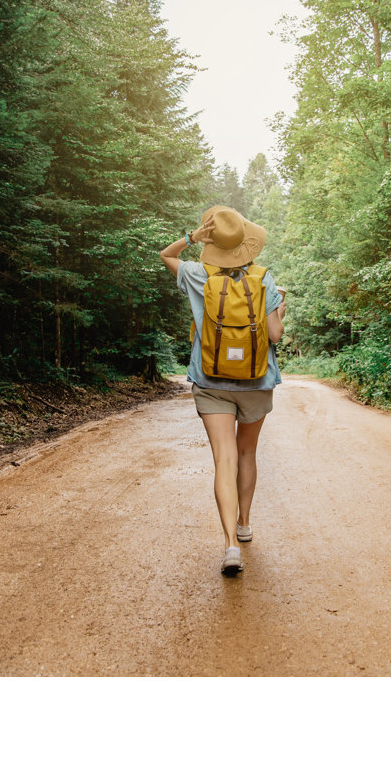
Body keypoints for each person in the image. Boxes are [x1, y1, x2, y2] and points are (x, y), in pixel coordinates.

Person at [160, 205, 287, 576]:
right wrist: (281, 306)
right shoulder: (264, 279)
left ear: (213, 243)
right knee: (247, 453)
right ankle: (245, 524)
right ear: (246, 244)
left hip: (211, 382)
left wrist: (191, 238)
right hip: (256, 381)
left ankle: (230, 544)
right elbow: (275, 335)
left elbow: (165, 255)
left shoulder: (198, 275)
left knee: (224, 459)